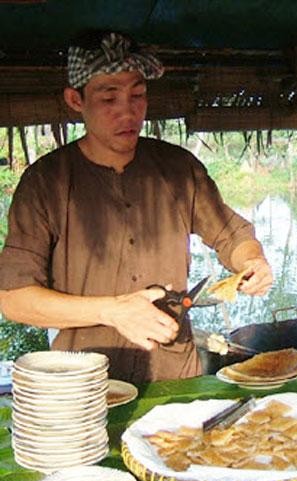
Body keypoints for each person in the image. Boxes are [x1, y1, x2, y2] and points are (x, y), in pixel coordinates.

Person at [0, 31, 273, 383]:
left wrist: (252, 261)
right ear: (75, 99)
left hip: (173, 372)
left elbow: (232, 235)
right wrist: (112, 311)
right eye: (109, 98)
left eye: (138, 95)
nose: (127, 112)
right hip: (86, 378)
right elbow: (13, 299)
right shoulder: (46, 182)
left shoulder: (178, 168)